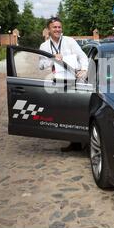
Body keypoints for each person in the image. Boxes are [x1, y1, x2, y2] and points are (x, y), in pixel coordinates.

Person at [39, 17, 88, 152]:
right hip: (58, 81)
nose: (57, 29)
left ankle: (79, 140)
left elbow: (82, 56)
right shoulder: (44, 46)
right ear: (48, 29)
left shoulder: (70, 41)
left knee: (76, 110)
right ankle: (73, 141)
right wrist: (52, 59)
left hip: (74, 80)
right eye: (54, 27)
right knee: (64, 111)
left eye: (59, 27)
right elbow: (41, 65)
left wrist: (84, 69)